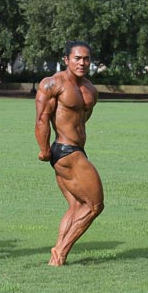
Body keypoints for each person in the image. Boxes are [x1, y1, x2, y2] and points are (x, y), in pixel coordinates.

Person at [35, 41, 104, 266]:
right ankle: (61, 252)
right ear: (66, 60)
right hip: (65, 150)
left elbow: (83, 118)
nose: (82, 63)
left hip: (77, 149)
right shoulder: (53, 84)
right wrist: (44, 149)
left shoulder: (90, 89)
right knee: (94, 205)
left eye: (86, 59)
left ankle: (56, 257)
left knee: (77, 206)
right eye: (77, 58)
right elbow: (42, 118)